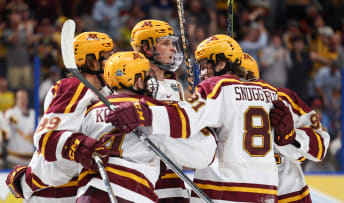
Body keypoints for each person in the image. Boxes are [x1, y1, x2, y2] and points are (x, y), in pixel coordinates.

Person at [106, 35, 297, 202]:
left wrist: (144, 113)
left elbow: (185, 120)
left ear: (221, 63)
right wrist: (289, 135)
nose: (202, 73)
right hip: (267, 192)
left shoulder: (217, 86)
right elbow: (284, 144)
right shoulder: (270, 92)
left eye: (205, 66)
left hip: (222, 191)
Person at [76, 51, 216, 202]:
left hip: (88, 193)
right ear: (138, 81)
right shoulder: (149, 109)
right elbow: (202, 155)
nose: (151, 81)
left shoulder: (90, 110)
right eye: (146, 75)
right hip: (133, 193)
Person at [6, 31, 114, 202]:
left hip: (76, 187)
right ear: (92, 63)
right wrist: (80, 146)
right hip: (51, 192)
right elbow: (46, 139)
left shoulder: (105, 92)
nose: (113, 62)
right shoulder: (72, 87)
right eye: (108, 56)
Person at [240, 52, 330, 202]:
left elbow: (321, 147)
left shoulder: (282, 99)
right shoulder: (216, 105)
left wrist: (292, 137)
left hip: (288, 194)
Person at [130, 19, 190, 202]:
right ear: (147, 48)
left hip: (175, 181)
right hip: (143, 181)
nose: (173, 48)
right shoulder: (130, 84)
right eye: (165, 43)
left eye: (172, 43)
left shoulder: (175, 85)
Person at [5, 89, 35, 167]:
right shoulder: (10, 113)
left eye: (24, 98)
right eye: (20, 98)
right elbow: (16, 123)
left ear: (28, 100)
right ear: (16, 100)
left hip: (31, 161)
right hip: (14, 160)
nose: (22, 100)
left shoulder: (33, 114)